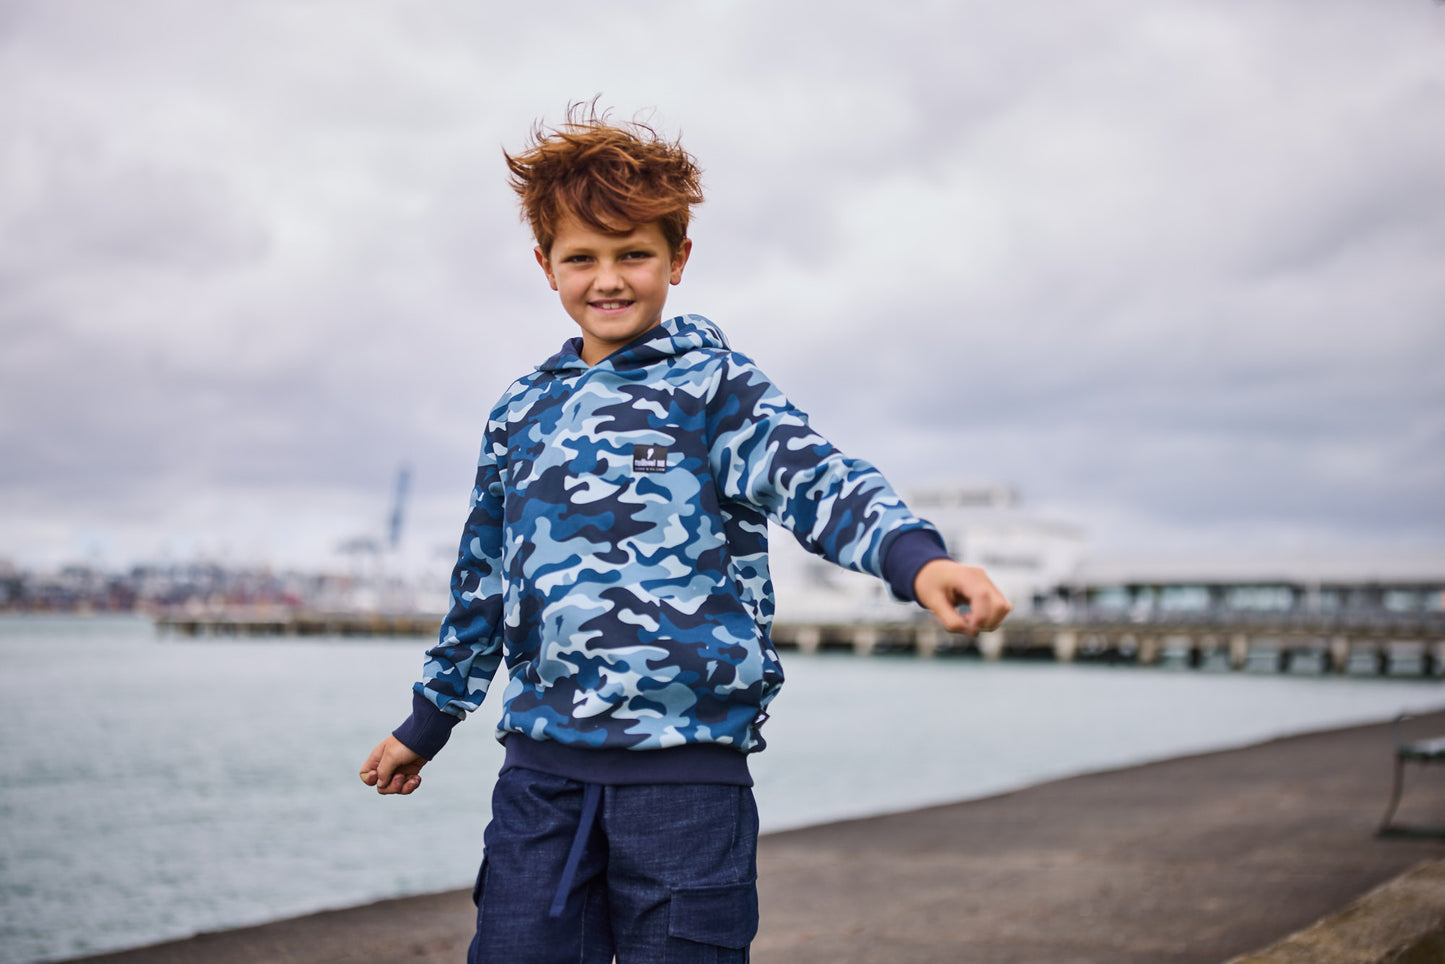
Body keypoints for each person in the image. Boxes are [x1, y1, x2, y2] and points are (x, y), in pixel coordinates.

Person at [359, 104, 1011, 964]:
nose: (608, 278)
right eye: (580, 257)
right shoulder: (520, 412)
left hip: (686, 786)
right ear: (544, 266)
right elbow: (481, 580)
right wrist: (430, 719)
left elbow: (818, 477)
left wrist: (914, 560)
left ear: (677, 258)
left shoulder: (717, 391)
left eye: (633, 253)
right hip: (539, 779)